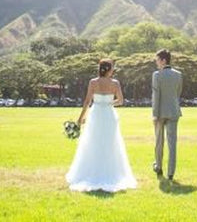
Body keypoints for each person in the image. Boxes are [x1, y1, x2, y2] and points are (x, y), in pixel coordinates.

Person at [65, 59, 137, 192]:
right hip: (109, 115)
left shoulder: (93, 82)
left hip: (96, 114)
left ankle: (91, 171)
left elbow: (87, 101)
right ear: (109, 70)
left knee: (93, 142)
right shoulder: (115, 83)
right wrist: (109, 103)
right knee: (110, 143)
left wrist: (80, 119)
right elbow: (120, 101)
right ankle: (111, 172)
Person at [151, 48, 183, 181]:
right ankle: (171, 173)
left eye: (157, 60)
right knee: (172, 144)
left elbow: (156, 96)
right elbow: (178, 93)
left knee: (159, 142)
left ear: (164, 60)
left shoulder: (157, 75)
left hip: (160, 113)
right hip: (174, 111)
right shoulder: (178, 74)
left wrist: (154, 114)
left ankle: (158, 167)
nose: (156, 63)